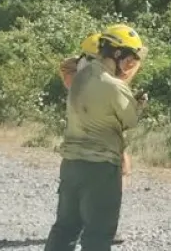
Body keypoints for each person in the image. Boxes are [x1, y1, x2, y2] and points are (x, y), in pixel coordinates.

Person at [45, 24, 149, 251]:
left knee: (65, 227)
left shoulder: (79, 75)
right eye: (130, 58)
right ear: (118, 53)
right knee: (98, 234)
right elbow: (129, 121)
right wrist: (138, 104)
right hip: (100, 167)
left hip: (71, 163)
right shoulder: (115, 86)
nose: (131, 64)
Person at [56, 32, 130, 245]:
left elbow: (66, 66)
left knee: (66, 220)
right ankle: (99, 224)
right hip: (100, 142)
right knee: (105, 192)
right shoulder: (100, 78)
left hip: (77, 144)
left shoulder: (79, 74)